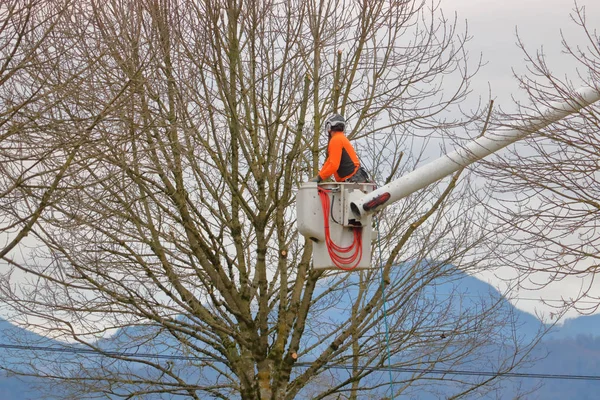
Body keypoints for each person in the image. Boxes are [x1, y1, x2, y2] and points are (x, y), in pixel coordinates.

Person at [310, 113, 370, 183]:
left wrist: (319, 178)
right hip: (355, 178)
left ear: (329, 127)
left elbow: (333, 165)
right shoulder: (340, 138)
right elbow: (329, 161)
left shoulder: (335, 140)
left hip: (353, 180)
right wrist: (319, 175)